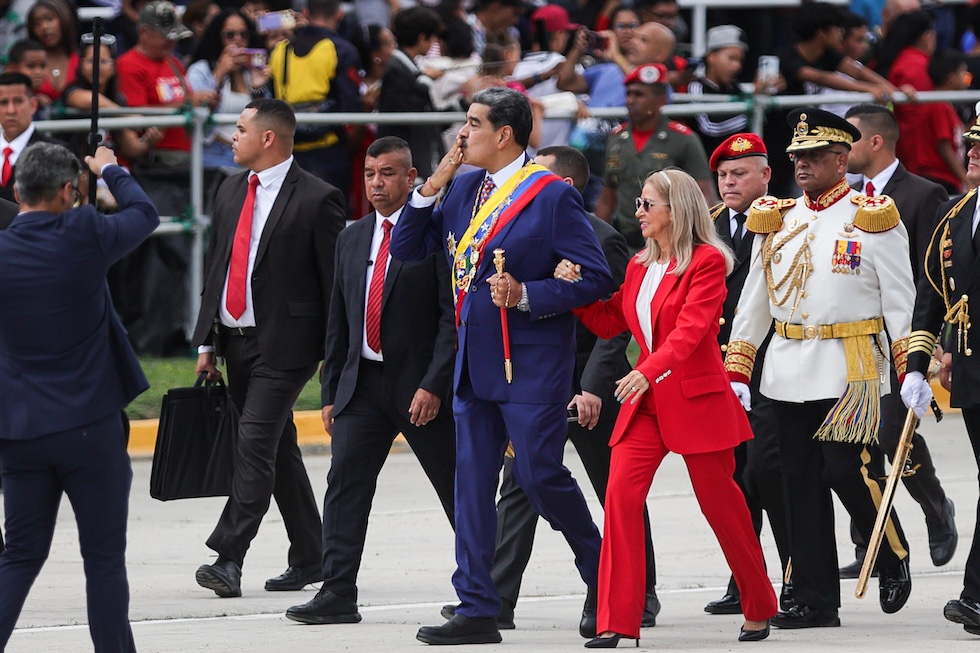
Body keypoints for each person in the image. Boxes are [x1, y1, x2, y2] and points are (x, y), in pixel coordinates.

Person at [389, 86, 614, 646]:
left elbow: (595, 277)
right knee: (471, 487)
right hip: (473, 362)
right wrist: (432, 185)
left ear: (504, 134)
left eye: (472, 123)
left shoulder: (550, 194)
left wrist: (528, 294)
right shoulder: (464, 187)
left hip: (531, 363)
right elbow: (407, 248)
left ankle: (608, 578)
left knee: (540, 478)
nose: (461, 134)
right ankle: (477, 607)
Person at [441, 144, 662, 631]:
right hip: (505, 369)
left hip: (585, 378)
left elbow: (616, 320)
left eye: (533, 178)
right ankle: (488, 601)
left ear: (560, 186)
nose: (521, 186)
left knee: (603, 489)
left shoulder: (598, 235)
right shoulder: (486, 213)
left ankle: (625, 586)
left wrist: (592, 385)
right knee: (512, 487)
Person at [564, 167, 777, 648]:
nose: (637, 211)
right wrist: (576, 290)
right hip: (647, 404)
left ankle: (759, 604)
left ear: (675, 210)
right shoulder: (640, 264)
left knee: (723, 508)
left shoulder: (707, 261)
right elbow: (610, 321)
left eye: (647, 204)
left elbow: (691, 331)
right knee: (620, 499)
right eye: (638, 203)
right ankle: (617, 620)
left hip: (695, 400)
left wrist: (648, 370)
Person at [726, 107, 915, 629]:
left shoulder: (872, 215)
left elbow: (900, 301)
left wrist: (911, 369)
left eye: (813, 156)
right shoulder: (778, 218)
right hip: (787, 365)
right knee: (797, 481)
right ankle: (814, 599)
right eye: (796, 156)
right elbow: (755, 302)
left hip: (850, 363)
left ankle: (889, 549)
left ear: (841, 159)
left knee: (843, 470)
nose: (802, 164)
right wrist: (738, 368)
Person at [283, 136, 458, 625]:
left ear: (411, 178)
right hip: (362, 386)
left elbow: (452, 319)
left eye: (388, 174)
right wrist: (332, 390)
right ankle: (337, 593)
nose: (376, 183)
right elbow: (339, 319)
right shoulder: (352, 236)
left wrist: (434, 384)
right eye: (369, 174)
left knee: (458, 490)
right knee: (344, 487)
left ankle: (487, 592)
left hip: (420, 388)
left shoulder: (435, 235)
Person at [0, 142, 159, 653]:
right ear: (68, 192)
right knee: (104, 561)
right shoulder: (84, 233)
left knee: (19, 555)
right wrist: (110, 169)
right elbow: (144, 214)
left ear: (18, 191)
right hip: (89, 426)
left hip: (20, 430)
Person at [191, 99, 345, 598]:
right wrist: (207, 341)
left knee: (254, 442)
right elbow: (217, 265)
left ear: (268, 138)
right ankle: (311, 555)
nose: (232, 136)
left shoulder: (318, 197)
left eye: (240, 128)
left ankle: (229, 556)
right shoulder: (229, 187)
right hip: (234, 341)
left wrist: (334, 356)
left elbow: (334, 285)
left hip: (287, 347)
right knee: (277, 448)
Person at [835, 102, 956, 577]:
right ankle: (869, 540)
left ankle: (935, 506)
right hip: (850, 336)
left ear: (876, 141)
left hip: (899, 336)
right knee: (852, 439)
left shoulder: (923, 193)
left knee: (889, 433)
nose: (842, 149)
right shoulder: (845, 197)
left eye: (850, 139)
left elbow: (933, 275)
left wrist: (934, 341)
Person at [702, 133, 791, 616]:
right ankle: (745, 579)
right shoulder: (707, 226)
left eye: (739, 174)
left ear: (765, 176)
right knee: (734, 477)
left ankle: (796, 575)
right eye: (722, 175)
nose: (729, 183)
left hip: (770, 366)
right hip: (720, 371)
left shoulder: (786, 220)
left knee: (769, 472)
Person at [902, 108, 980, 638]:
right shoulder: (958, 213)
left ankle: (975, 595)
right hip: (972, 371)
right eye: (970, 144)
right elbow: (932, 295)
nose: (971, 152)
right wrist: (917, 365)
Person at [595, 63, 715, 252]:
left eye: (639, 95)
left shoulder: (683, 139)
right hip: (626, 244)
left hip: (670, 245)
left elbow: (705, 196)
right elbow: (607, 199)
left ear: (660, 100)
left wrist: (701, 244)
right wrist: (595, 242)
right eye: (629, 94)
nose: (631, 100)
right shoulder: (616, 139)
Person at [268, 0, 361, 195]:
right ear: (339, 14)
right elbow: (352, 110)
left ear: (305, 12)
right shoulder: (341, 49)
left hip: (287, 154)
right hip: (329, 153)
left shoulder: (279, 50)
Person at [116, 0, 211, 168]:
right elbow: (134, 116)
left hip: (188, 156)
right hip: (156, 161)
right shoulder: (128, 65)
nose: (173, 42)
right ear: (144, 32)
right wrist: (185, 103)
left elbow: (187, 101)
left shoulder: (174, 62)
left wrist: (205, 103)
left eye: (175, 37)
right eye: (167, 36)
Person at [187, 8, 270, 170]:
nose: (238, 40)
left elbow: (265, 118)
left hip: (251, 156)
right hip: (215, 153)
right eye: (230, 35)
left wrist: (258, 88)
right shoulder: (201, 69)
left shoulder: (253, 71)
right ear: (217, 37)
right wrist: (218, 75)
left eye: (244, 34)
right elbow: (197, 109)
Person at [377, 6, 446, 179]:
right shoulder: (395, 69)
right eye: (432, 38)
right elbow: (408, 111)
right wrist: (427, 79)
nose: (434, 43)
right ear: (422, 38)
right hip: (405, 163)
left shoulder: (408, 67)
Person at [0, 72, 72, 204]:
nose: (11, 110)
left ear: (33, 105)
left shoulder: (56, 152)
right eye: (3, 102)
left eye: (18, 101)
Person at [686, 25, 750, 157]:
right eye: (731, 58)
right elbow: (709, 127)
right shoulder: (696, 87)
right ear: (711, 57)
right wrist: (753, 113)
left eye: (740, 60)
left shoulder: (735, 88)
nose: (737, 65)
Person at [26, 0, 77, 105]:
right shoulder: (25, 63)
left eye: (49, 19)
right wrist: (32, 98)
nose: (44, 27)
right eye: (37, 23)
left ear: (64, 19)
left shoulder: (81, 60)